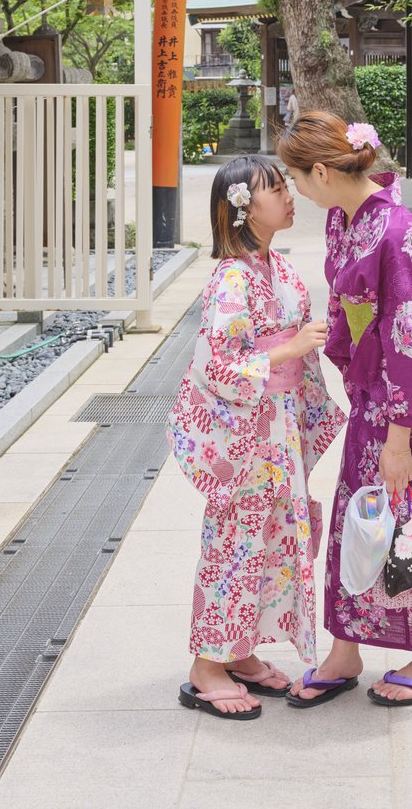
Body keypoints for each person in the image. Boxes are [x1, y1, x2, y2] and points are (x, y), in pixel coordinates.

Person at [276, 112, 412, 709]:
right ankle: (346, 647)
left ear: (324, 170)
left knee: (409, 524)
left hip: (408, 403)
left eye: (297, 178)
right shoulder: (345, 219)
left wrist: (401, 439)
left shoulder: (398, 232)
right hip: (372, 393)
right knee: (358, 521)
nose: (296, 190)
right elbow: (355, 313)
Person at [168, 155, 345, 720]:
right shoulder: (231, 277)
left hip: (279, 426)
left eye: (287, 186)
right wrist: (289, 349)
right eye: (275, 189)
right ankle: (205, 667)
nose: (290, 196)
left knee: (272, 537)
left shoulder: (280, 271)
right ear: (242, 207)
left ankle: (239, 653)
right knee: (234, 545)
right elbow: (216, 364)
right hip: (245, 436)